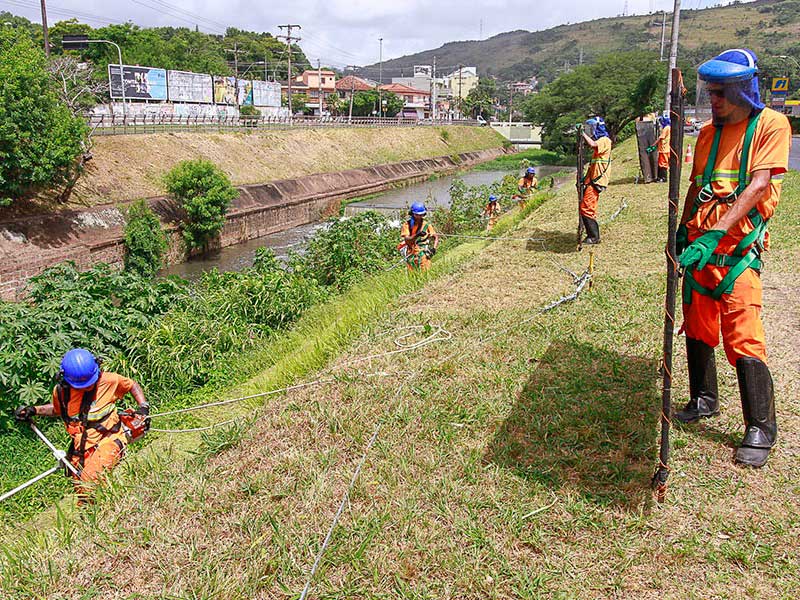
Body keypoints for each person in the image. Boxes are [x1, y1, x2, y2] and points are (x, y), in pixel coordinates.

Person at [675, 48, 791, 468]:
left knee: (743, 335)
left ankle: (761, 426)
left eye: (721, 92)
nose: (714, 101)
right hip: (701, 252)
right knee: (699, 326)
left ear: (745, 89)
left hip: (737, 255)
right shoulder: (708, 134)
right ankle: (703, 399)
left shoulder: (771, 125)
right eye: (710, 93)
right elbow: (697, 184)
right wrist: (683, 229)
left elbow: (760, 184)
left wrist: (717, 234)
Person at [14, 348, 150, 499]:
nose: (88, 387)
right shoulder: (61, 392)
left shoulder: (108, 381)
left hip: (109, 438)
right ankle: (95, 517)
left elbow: (132, 385)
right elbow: (58, 410)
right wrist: (34, 410)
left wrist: (143, 407)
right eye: (82, 385)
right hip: (82, 448)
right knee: (81, 489)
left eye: (90, 383)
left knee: (90, 482)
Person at [579, 116, 612, 244]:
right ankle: (591, 235)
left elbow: (592, 144)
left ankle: (594, 237)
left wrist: (581, 133)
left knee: (587, 208)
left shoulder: (604, 140)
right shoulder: (601, 142)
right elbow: (594, 165)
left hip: (597, 181)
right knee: (586, 207)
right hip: (592, 180)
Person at [399, 202, 440, 271]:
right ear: (412, 214)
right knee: (412, 275)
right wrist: (417, 235)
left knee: (425, 273)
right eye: (417, 215)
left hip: (423, 253)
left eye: (421, 215)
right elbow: (407, 239)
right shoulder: (407, 225)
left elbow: (435, 237)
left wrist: (434, 248)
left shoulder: (426, 225)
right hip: (411, 254)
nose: (419, 217)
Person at [656, 113, 672, 182]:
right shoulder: (669, 127)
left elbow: (661, 138)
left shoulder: (666, 128)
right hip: (667, 148)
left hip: (664, 149)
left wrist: (653, 144)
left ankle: (663, 178)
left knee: (662, 163)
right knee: (664, 163)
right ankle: (661, 177)